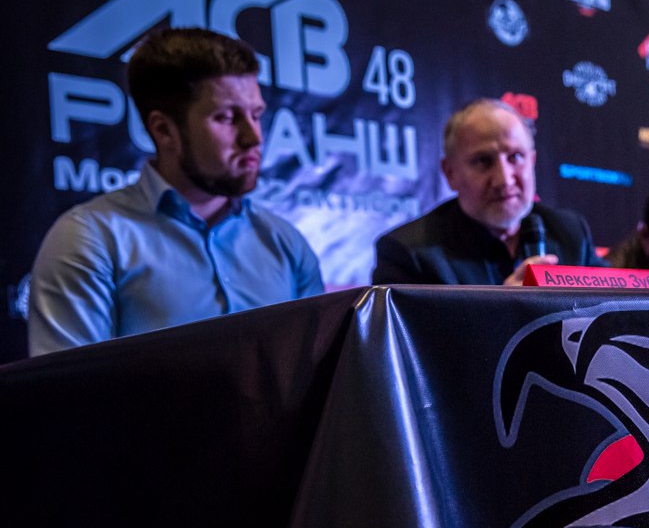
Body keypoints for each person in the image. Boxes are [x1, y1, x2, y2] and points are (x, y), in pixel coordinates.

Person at [28, 27, 322, 357]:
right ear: (164, 130)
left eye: (256, 115)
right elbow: (66, 386)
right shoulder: (91, 239)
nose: (253, 137)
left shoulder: (286, 244)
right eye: (227, 118)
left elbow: (320, 373)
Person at [372, 99, 606, 286]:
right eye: (483, 161)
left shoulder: (570, 231)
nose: (504, 179)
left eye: (515, 157)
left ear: (532, 161)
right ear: (450, 173)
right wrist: (501, 313)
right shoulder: (408, 254)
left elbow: (613, 312)